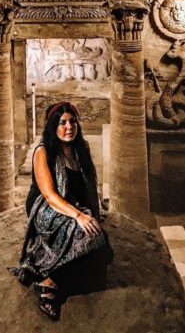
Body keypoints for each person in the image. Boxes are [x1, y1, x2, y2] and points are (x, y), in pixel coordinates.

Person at [10, 101, 112, 321]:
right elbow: (48, 195)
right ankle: (50, 286)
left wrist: (93, 214)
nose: (69, 127)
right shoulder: (43, 151)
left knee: (104, 252)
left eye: (72, 121)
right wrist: (78, 216)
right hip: (46, 208)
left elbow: (89, 186)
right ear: (52, 126)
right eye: (62, 123)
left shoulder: (80, 148)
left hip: (73, 204)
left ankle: (51, 280)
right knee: (92, 241)